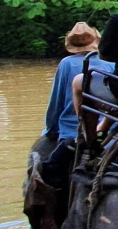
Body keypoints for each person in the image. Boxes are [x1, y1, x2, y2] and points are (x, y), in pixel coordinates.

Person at [40, 22, 113, 188]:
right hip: (108, 127)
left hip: (73, 130)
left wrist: (50, 129)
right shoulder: (110, 64)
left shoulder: (66, 63)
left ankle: (53, 207)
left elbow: (56, 101)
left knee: (49, 171)